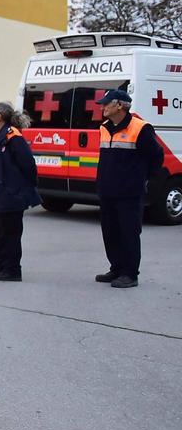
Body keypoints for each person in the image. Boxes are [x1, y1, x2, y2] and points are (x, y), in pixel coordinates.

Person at [95, 89, 164, 288]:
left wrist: (141, 178)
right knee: (110, 232)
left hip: (129, 193)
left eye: (106, 103)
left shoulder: (141, 128)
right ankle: (116, 268)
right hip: (107, 191)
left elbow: (156, 156)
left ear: (120, 105)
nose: (102, 107)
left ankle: (130, 274)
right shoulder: (105, 127)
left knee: (129, 233)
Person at [0, 103, 40, 282]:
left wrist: (20, 188)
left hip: (9, 193)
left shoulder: (13, 136)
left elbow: (28, 165)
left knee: (10, 233)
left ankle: (12, 269)